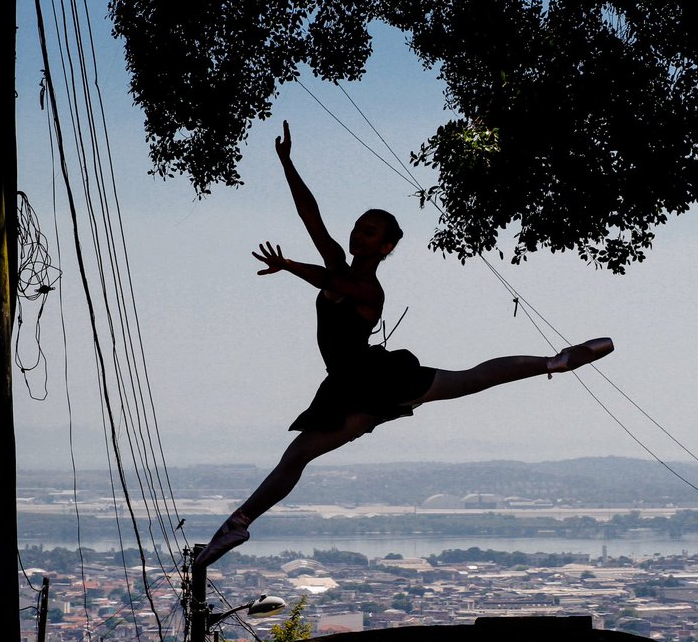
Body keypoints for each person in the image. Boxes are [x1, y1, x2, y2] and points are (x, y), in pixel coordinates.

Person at [193, 121, 613, 568]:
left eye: (370, 232)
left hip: (375, 381)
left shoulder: (369, 290)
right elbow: (310, 216)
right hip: (348, 386)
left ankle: (556, 361)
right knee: (297, 456)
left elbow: (328, 279)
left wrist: (289, 264)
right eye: (358, 227)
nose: (359, 234)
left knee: (468, 380)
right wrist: (287, 163)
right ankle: (238, 522)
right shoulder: (338, 263)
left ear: (387, 247)